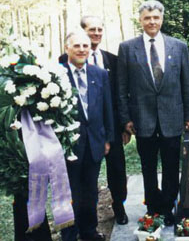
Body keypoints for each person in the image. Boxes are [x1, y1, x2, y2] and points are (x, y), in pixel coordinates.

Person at [117, 0, 189, 226]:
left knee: (172, 166)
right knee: (148, 167)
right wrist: (125, 119)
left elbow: (187, 85)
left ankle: (168, 207)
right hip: (143, 119)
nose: (152, 21)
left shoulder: (178, 46)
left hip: (172, 118)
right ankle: (153, 208)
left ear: (162, 19)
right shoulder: (127, 48)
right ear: (140, 20)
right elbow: (121, 88)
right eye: (147, 18)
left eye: (156, 17)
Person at [59, 16, 128, 225]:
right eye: (91, 30)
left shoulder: (112, 60)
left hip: (109, 127)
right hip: (78, 133)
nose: (96, 33)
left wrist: (122, 125)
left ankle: (119, 206)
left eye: (100, 29)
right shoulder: (62, 64)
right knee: (83, 182)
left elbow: (118, 95)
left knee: (116, 169)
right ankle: (80, 222)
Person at [61, 30, 114, 241]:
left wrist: (108, 138)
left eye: (85, 46)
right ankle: (70, 234)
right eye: (77, 46)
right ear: (67, 49)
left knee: (90, 191)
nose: (82, 50)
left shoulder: (99, 74)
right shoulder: (56, 75)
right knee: (71, 194)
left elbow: (107, 108)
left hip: (94, 142)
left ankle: (89, 231)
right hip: (69, 145)